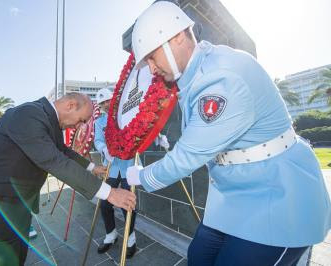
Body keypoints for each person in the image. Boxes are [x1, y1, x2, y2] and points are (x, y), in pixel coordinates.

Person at [126, 2, 331, 265]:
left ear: (177, 36)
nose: (151, 69)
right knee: (198, 257)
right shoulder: (196, 73)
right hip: (234, 199)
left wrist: (142, 176)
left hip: (275, 197)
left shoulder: (221, 77)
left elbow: (187, 156)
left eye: (152, 57)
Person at [0, 93, 136, 265]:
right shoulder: (28, 114)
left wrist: (93, 168)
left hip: (15, 206)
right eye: (81, 120)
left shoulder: (45, 120)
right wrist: (109, 192)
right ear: (70, 105)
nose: (79, 127)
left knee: (17, 258)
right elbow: (54, 160)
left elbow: (62, 152)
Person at [94, 88, 140, 257]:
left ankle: (131, 238)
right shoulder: (99, 122)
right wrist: (104, 149)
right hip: (110, 167)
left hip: (130, 165)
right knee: (104, 203)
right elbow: (97, 141)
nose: (106, 105)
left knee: (129, 202)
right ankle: (110, 234)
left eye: (107, 101)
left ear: (114, 100)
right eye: (102, 103)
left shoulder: (127, 115)